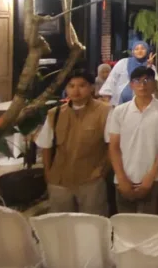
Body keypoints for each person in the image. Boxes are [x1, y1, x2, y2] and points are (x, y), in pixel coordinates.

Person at [37, 71, 111, 214]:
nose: (76, 90)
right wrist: (48, 174)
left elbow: (112, 145)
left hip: (91, 180)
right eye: (71, 86)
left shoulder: (105, 111)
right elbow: (46, 146)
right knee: (61, 222)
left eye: (82, 86)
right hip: (59, 180)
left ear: (91, 88)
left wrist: (101, 171)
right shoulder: (55, 113)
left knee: (92, 223)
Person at [106, 67, 158, 214]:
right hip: (124, 178)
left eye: (147, 80)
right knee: (125, 225)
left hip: (155, 179)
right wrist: (121, 177)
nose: (142, 85)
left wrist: (151, 177)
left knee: (151, 224)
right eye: (137, 81)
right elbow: (114, 147)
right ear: (131, 85)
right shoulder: (119, 111)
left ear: (154, 84)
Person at [100, 41, 156, 106]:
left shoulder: (151, 66)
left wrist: (149, 67)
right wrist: (107, 97)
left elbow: (153, 85)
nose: (139, 51)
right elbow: (112, 79)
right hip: (119, 102)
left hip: (142, 103)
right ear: (133, 51)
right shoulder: (123, 62)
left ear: (147, 51)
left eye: (143, 49)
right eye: (136, 49)